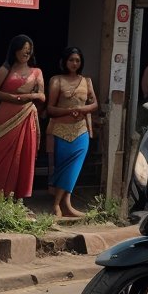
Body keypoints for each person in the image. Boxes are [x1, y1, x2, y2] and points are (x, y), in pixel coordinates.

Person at [0, 34, 46, 205]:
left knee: (22, 156)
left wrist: (31, 97)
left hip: (26, 117)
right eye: (22, 50)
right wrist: (19, 97)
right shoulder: (5, 69)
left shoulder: (36, 72)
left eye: (28, 50)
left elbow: (42, 96)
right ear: (15, 50)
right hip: (4, 118)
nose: (26, 53)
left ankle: (18, 200)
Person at [46, 47, 98, 218]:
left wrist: (81, 109)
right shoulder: (57, 80)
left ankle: (64, 204)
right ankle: (57, 205)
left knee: (74, 169)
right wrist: (69, 111)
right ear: (64, 62)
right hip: (61, 130)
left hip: (81, 131)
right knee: (62, 167)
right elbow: (51, 109)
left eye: (77, 60)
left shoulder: (87, 81)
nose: (74, 63)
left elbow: (94, 105)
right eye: (71, 60)